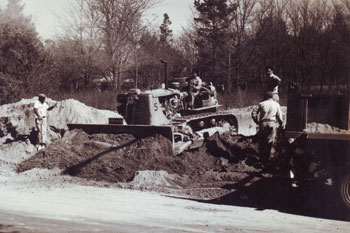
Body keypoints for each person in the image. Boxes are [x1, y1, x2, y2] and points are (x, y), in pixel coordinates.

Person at [252, 92, 284, 167]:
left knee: (262, 141)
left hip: (263, 123)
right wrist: (281, 124)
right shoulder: (276, 104)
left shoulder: (261, 103)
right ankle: (268, 160)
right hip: (271, 123)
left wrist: (257, 121)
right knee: (269, 141)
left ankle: (262, 160)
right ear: (272, 97)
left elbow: (254, 113)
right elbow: (279, 116)